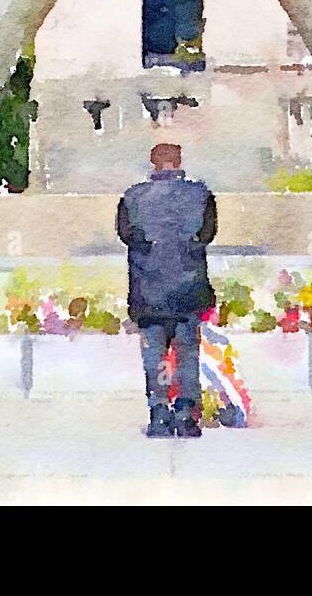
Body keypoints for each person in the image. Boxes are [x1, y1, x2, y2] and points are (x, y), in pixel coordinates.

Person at [116, 142, 218, 438]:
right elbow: (207, 235)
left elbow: (127, 235)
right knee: (187, 355)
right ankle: (186, 414)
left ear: (153, 163)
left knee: (156, 356)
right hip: (188, 290)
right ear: (179, 161)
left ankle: (159, 413)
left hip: (149, 294)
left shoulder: (132, 197)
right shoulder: (201, 195)